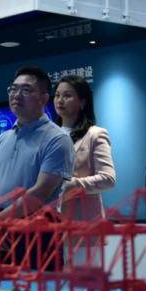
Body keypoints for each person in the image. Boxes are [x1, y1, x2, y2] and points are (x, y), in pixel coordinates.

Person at [0, 66, 75, 268]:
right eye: (13, 89)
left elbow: (41, 192)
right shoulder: (3, 139)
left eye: (26, 90)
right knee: (2, 287)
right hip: (3, 231)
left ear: (44, 98)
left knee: (42, 288)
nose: (17, 95)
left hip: (39, 231)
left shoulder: (57, 138)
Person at [53, 75, 116, 266]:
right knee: (49, 282)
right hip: (48, 224)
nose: (60, 100)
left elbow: (108, 178)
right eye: (57, 95)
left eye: (67, 95)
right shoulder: (48, 136)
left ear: (82, 101)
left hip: (82, 224)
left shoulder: (95, 134)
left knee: (84, 282)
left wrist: (71, 185)